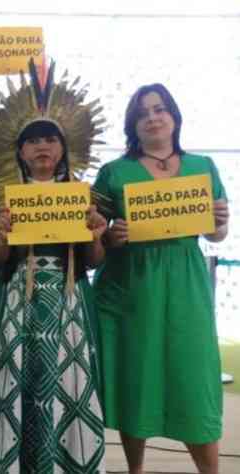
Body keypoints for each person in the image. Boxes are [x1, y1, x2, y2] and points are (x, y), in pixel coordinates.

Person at [0, 63, 107, 473]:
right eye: (33, 141)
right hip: (16, 300)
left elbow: (93, 262)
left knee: (66, 383)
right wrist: (1, 236)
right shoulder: (9, 198)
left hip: (68, 303)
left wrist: (96, 235)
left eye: (50, 139)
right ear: (20, 151)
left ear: (63, 147)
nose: (42, 147)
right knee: (16, 382)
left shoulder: (79, 195)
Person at [93, 83, 230, 474]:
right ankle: (135, 469)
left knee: (194, 376)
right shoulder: (113, 172)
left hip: (185, 284)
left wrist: (220, 223)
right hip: (130, 288)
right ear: (132, 125)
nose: (152, 117)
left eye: (159, 109)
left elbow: (214, 234)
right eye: (142, 113)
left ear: (174, 117)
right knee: (138, 374)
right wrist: (110, 235)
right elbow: (94, 234)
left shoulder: (202, 167)